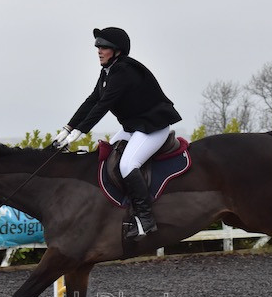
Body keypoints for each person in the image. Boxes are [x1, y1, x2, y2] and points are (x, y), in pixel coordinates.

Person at [53, 27, 182, 240]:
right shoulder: (108, 71)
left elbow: (104, 105)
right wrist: (67, 129)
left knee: (127, 165)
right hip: (133, 128)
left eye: (103, 47)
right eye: (98, 47)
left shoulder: (124, 71)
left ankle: (145, 219)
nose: (99, 50)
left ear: (117, 51)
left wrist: (79, 133)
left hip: (153, 127)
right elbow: (92, 100)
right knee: (103, 157)